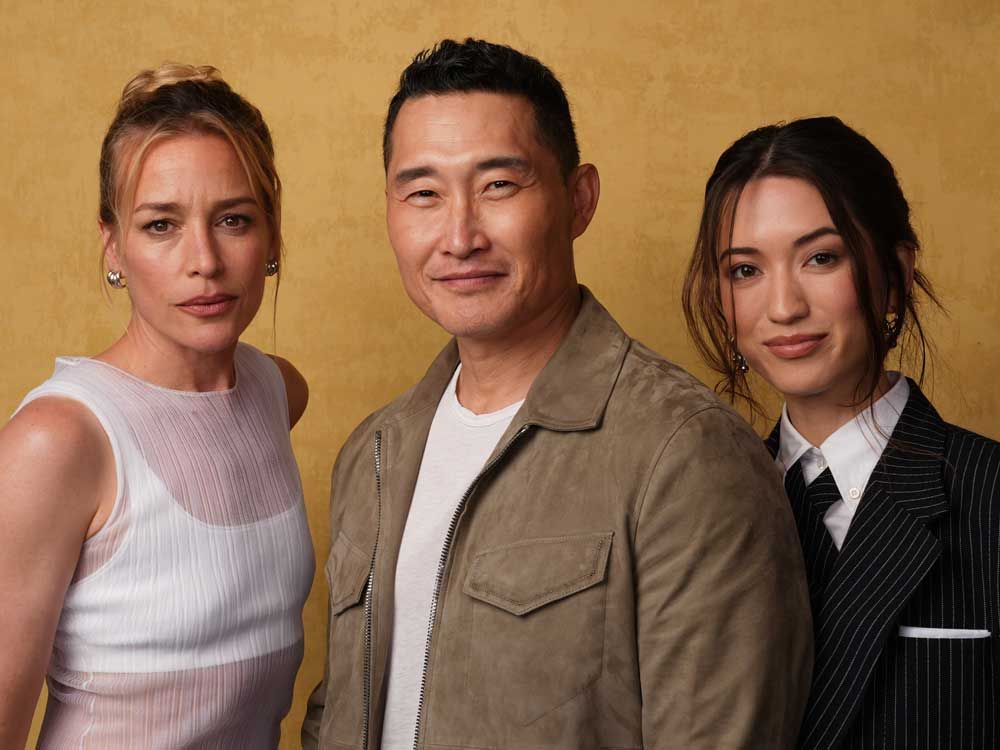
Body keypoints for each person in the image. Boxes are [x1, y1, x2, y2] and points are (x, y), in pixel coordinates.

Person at [303, 38, 812, 750]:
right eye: (423, 193)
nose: (458, 235)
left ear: (579, 200)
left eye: (498, 186)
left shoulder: (682, 452)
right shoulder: (375, 452)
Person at [0, 64, 314, 749]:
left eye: (233, 219)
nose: (204, 259)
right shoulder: (58, 442)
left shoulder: (277, 391)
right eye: (161, 225)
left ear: (272, 236)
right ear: (113, 244)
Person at [682, 116, 1000, 750]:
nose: (783, 307)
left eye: (821, 258)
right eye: (745, 270)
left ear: (895, 273)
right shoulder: (694, 509)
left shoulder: (989, 493)